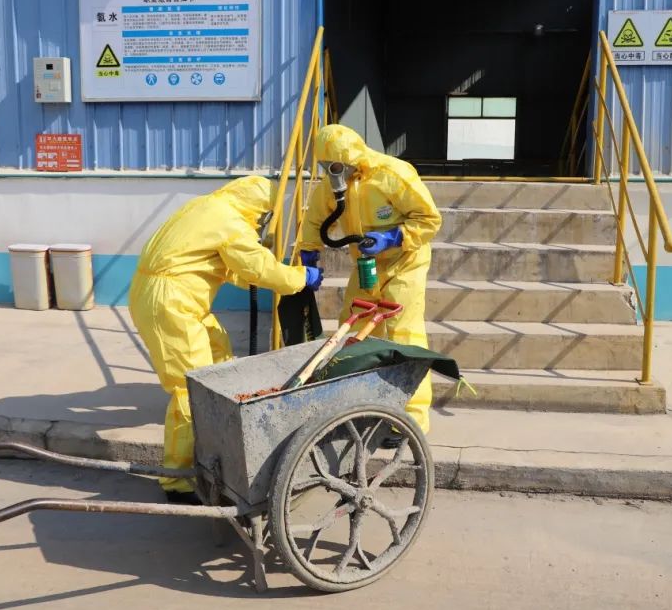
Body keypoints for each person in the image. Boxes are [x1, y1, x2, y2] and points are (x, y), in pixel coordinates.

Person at [129, 176, 323, 502]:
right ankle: (178, 481)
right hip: (171, 303)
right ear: (258, 208)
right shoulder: (231, 222)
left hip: (170, 296)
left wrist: (282, 276)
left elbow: (228, 265)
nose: (261, 224)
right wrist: (301, 277)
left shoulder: (206, 207)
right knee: (190, 388)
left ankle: (221, 427)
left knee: (219, 355)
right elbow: (258, 267)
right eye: (264, 216)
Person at [300, 124, 441, 435]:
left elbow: (430, 219)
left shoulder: (393, 174)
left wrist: (393, 237)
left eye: (337, 165)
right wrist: (308, 254)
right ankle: (358, 404)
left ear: (354, 157)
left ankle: (410, 421)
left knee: (404, 334)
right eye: (326, 165)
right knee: (352, 327)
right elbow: (314, 220)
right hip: (367, 265)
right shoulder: (334, 185)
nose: (332, 172)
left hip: (405, 262)